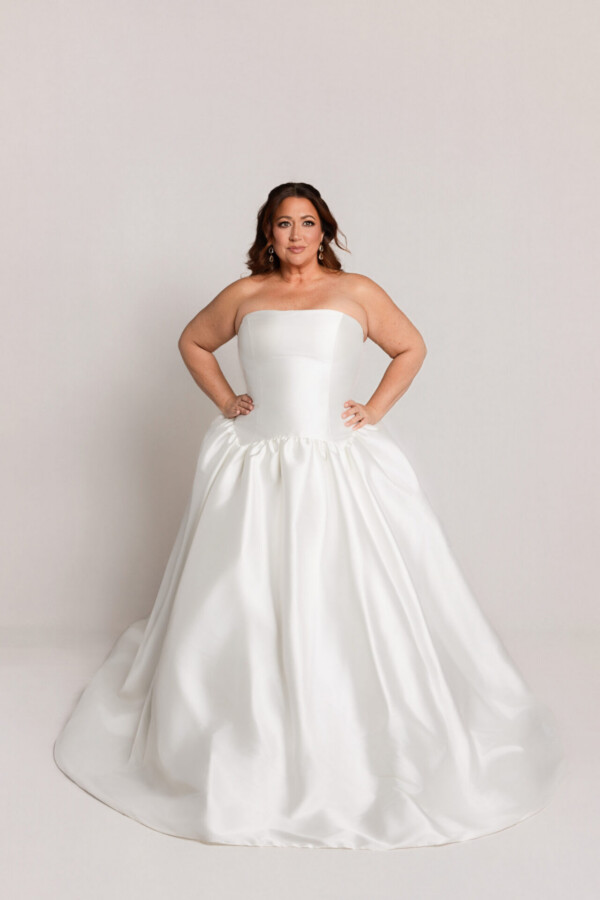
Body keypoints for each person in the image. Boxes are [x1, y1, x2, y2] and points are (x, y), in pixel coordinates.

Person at [53, 182, 566, 850]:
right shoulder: (245, 294)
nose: (295, 235)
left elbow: (411, 347)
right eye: (283, 224)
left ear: (324, 230)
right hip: (258, 465)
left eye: (306, 222)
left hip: (335, 464)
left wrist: (372, 411)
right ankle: (247, 724)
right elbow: (193, 342)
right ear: (267, 233)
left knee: (345, 588)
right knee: (245, 592)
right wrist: (226, 401)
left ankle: (349, 723)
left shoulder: (357, 291)